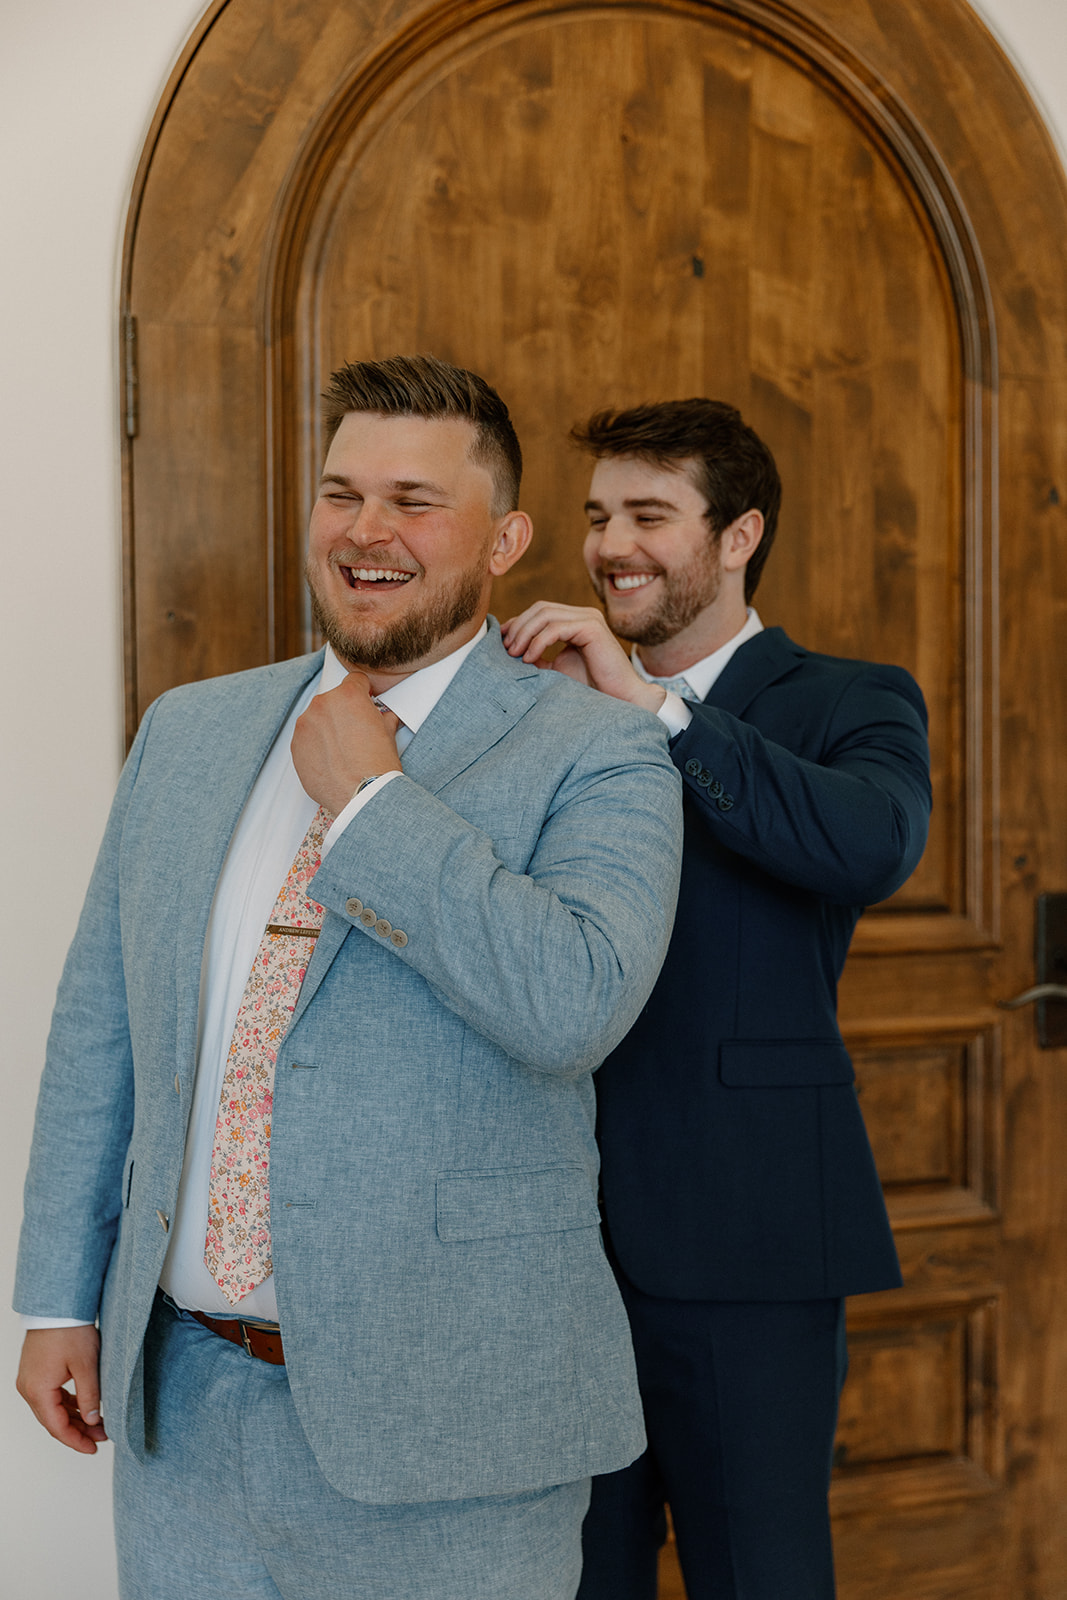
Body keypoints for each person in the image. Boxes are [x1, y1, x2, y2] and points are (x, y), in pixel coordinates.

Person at [14, 356, 684, 1600]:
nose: (367, 531)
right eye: (340, 493)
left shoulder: (601, 752)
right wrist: (58, 1293)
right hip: (186, 1409)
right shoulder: (192, 727)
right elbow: (102, 1024)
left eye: (414, 500)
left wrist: (371, 803)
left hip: (455, 1429)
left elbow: (572, 1003)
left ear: (504, 539)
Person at [502, 398, 931, 1600]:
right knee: (572, 1579)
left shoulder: (848, 699)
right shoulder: (543, 701)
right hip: (549, 1239)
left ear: (738, 534)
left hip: (750, 1231)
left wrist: (657, 717)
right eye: (595, 516)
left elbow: (866, 844)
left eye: (648, 513)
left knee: (760, 1573)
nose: (609, 544)